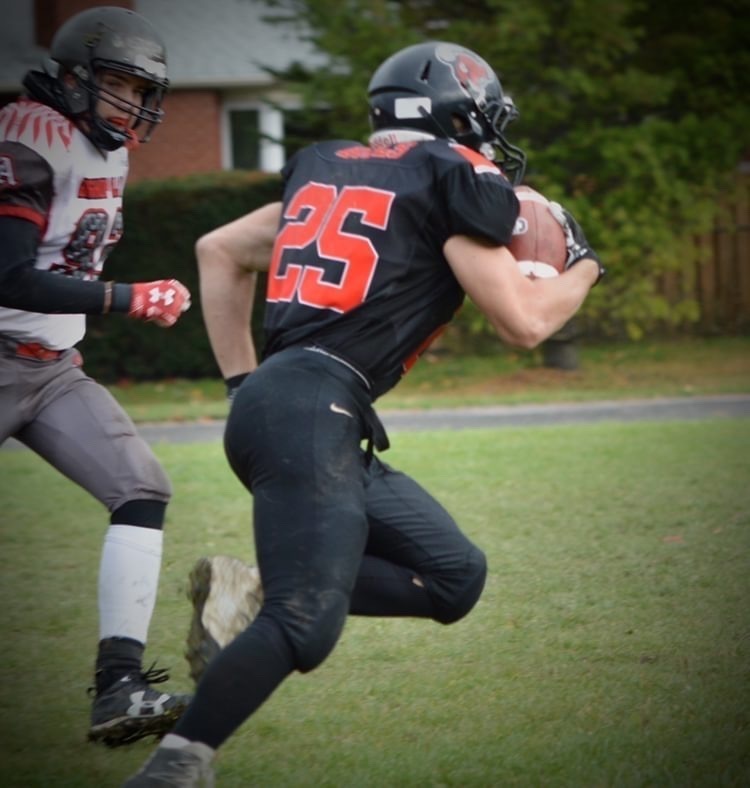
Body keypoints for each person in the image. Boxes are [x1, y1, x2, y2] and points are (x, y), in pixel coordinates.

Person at [124, 40, 604, 785]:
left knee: (454, 576)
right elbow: (526, 321)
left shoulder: (333, 170)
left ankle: (254, 588)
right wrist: (587, 265)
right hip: (310, 412)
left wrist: (241, 384)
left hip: (300, 409)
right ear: (458, 117)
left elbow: (217, 248)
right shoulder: (447, 180)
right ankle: (177, 765)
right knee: (304, 623)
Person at [0, 7, 193, 747]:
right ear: (76, 75)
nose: (132, 104)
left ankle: (118, 688)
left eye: (142, 91)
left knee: (141, 489)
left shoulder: (107, 150)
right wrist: (126, 297)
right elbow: (9, 275)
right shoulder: (27, 133)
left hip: (53, 371)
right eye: (120, 84)